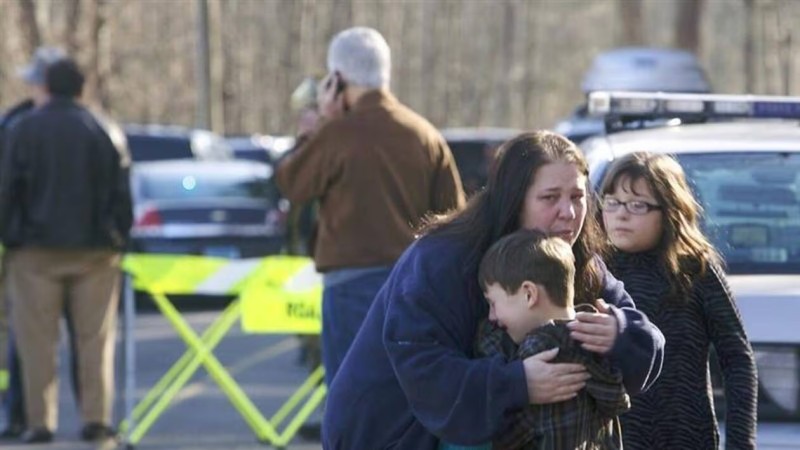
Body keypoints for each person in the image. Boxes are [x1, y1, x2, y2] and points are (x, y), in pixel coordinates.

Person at [322, 131, 664, 449]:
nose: (569, 212)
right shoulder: (442, 258)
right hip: (389, 434)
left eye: (577, 196)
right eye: (550, 198)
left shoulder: (574, 258)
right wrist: (517, 384)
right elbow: (422, 365)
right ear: (514, 200)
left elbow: (646, 339)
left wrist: (620, 333)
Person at [275, 26, 466, 388]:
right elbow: (454, 217)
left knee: (352, 399)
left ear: (336, 79)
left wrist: (322, 125)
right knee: (407, 396)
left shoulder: (337, 134)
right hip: (416, 287)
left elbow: (291, 182)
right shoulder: (425, 134)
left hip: (350, 287)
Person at [0, 57, 133, 444]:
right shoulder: (104, 128)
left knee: (36, 342)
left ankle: (40, 422)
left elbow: (7, 188)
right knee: (95, 340)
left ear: (46, 87)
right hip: (96, 252)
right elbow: (122, 190)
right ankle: (97, 418)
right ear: (80, 89)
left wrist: (10, 236)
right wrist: (118, 236)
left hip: (34, 252)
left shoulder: (23, 129)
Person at [598, 152, 757, 449]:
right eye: (612, 202)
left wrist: (740, 442)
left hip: (687, 436)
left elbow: (737, 359)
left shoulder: (696, 270)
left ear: (671, 211)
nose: (621, 214)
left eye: (637, 205)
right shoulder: (594, 270)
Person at [469, 229, 629, 449]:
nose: (492, 316)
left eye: (493, 303)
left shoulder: (542, 351)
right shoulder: (594, 345)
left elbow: (508, 434)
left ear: (529, 294)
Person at [0, 46, 79, 440]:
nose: (30, 85)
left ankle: (45, 419)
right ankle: (18, 414)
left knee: (37, 339)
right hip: (26, 246)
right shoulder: (14, 122)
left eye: (35, 79)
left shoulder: (82, 126)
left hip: (40, 247)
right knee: (23, 340)